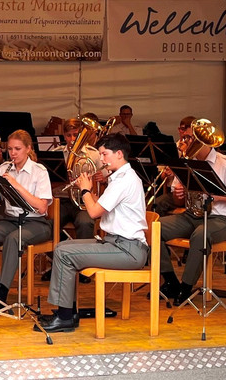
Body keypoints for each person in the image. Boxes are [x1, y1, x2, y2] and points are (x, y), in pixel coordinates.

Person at [39, 134, 148, 332]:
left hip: (128, 250)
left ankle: (64, 317)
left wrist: (85, 190)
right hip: (118, 244)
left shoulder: (125, 180)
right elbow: (103, 206)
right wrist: (91, 193)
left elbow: (94, 213)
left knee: (64, 254)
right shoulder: (120, 177)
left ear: (119, 154)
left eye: (105, 154)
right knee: (62, 247)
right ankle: (68, 313)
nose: (102, 159)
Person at [158, 121, 226, 304]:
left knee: (200, 235)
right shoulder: (188, 162)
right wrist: (179, 194)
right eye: (188, 138)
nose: (187, 142)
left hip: (220, 220)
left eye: (192, 138)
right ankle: (170, 281)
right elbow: (178, 202)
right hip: (192, 215)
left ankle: (186, 287)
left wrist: (218, 196)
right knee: (154, 228)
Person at [0, 130, 53, 311]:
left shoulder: (39, 171)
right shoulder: (4, 168)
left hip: (36, 223)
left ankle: (2, 293)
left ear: (28, 149)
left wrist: (16, 185)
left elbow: (42, 207)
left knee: (14, 239)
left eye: (17, 149)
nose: (13, 153)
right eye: (10, 149)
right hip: (11, 219)